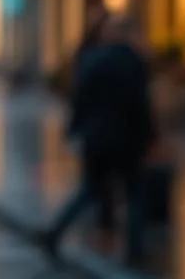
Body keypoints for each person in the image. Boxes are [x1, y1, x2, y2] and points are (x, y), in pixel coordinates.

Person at [41, 14, 158, 266]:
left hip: (96, 138)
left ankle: (55, 231)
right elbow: (140, 104)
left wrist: (74, 130)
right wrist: (151, 136)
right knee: (135, 192)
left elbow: (80, 98)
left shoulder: (95, 59)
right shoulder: (134, 62)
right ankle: (134, 251)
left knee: (89, 189)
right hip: (127, 139)